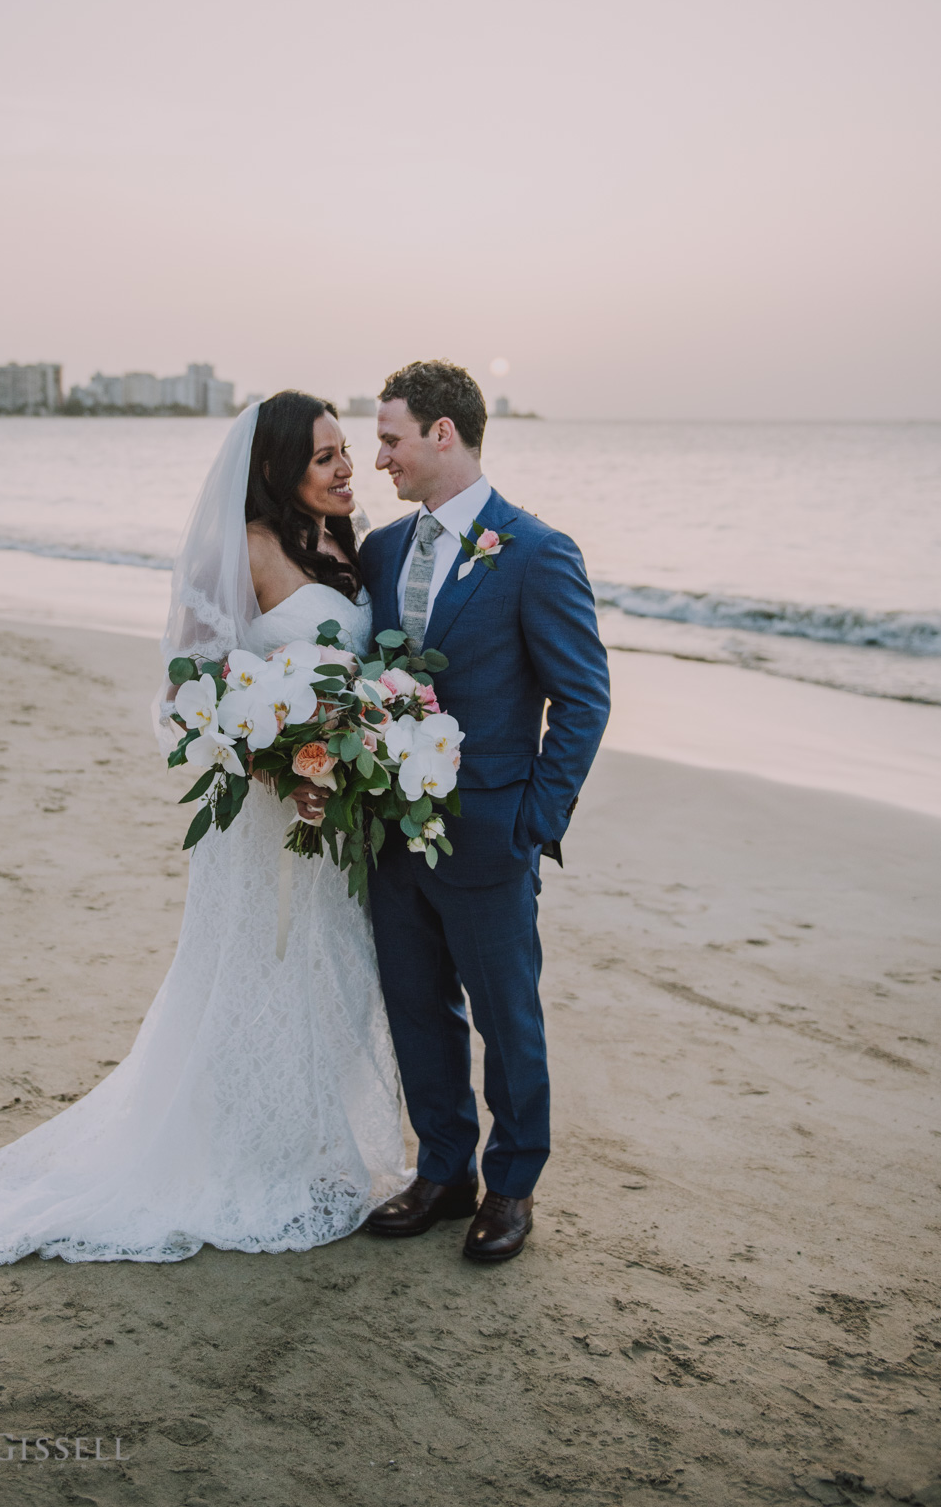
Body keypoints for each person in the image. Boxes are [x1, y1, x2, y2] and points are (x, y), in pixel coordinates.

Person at [0, 393, 409, 1264]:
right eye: (324, 457)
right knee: (254, 974)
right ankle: (237, 1156)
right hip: (265, 819)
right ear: (277, 469)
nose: (346, 467)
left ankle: (310, 1150)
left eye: (348, 449)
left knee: (333, 975)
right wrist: (279, 757)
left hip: (333, 812)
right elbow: (188, 697)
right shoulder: (245, 549)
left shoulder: (342, 546)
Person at [354, 359, 610, 1263]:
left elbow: (582, 700)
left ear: (442, 434)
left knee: (507, 1017)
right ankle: (442, 1171)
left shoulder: (536, 552)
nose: (376, 455)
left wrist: (531, 822)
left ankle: (510, 1187)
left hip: (491, 831)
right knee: (415, 1006)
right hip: (390, 828)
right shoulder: (382, 550)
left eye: (388, 437)